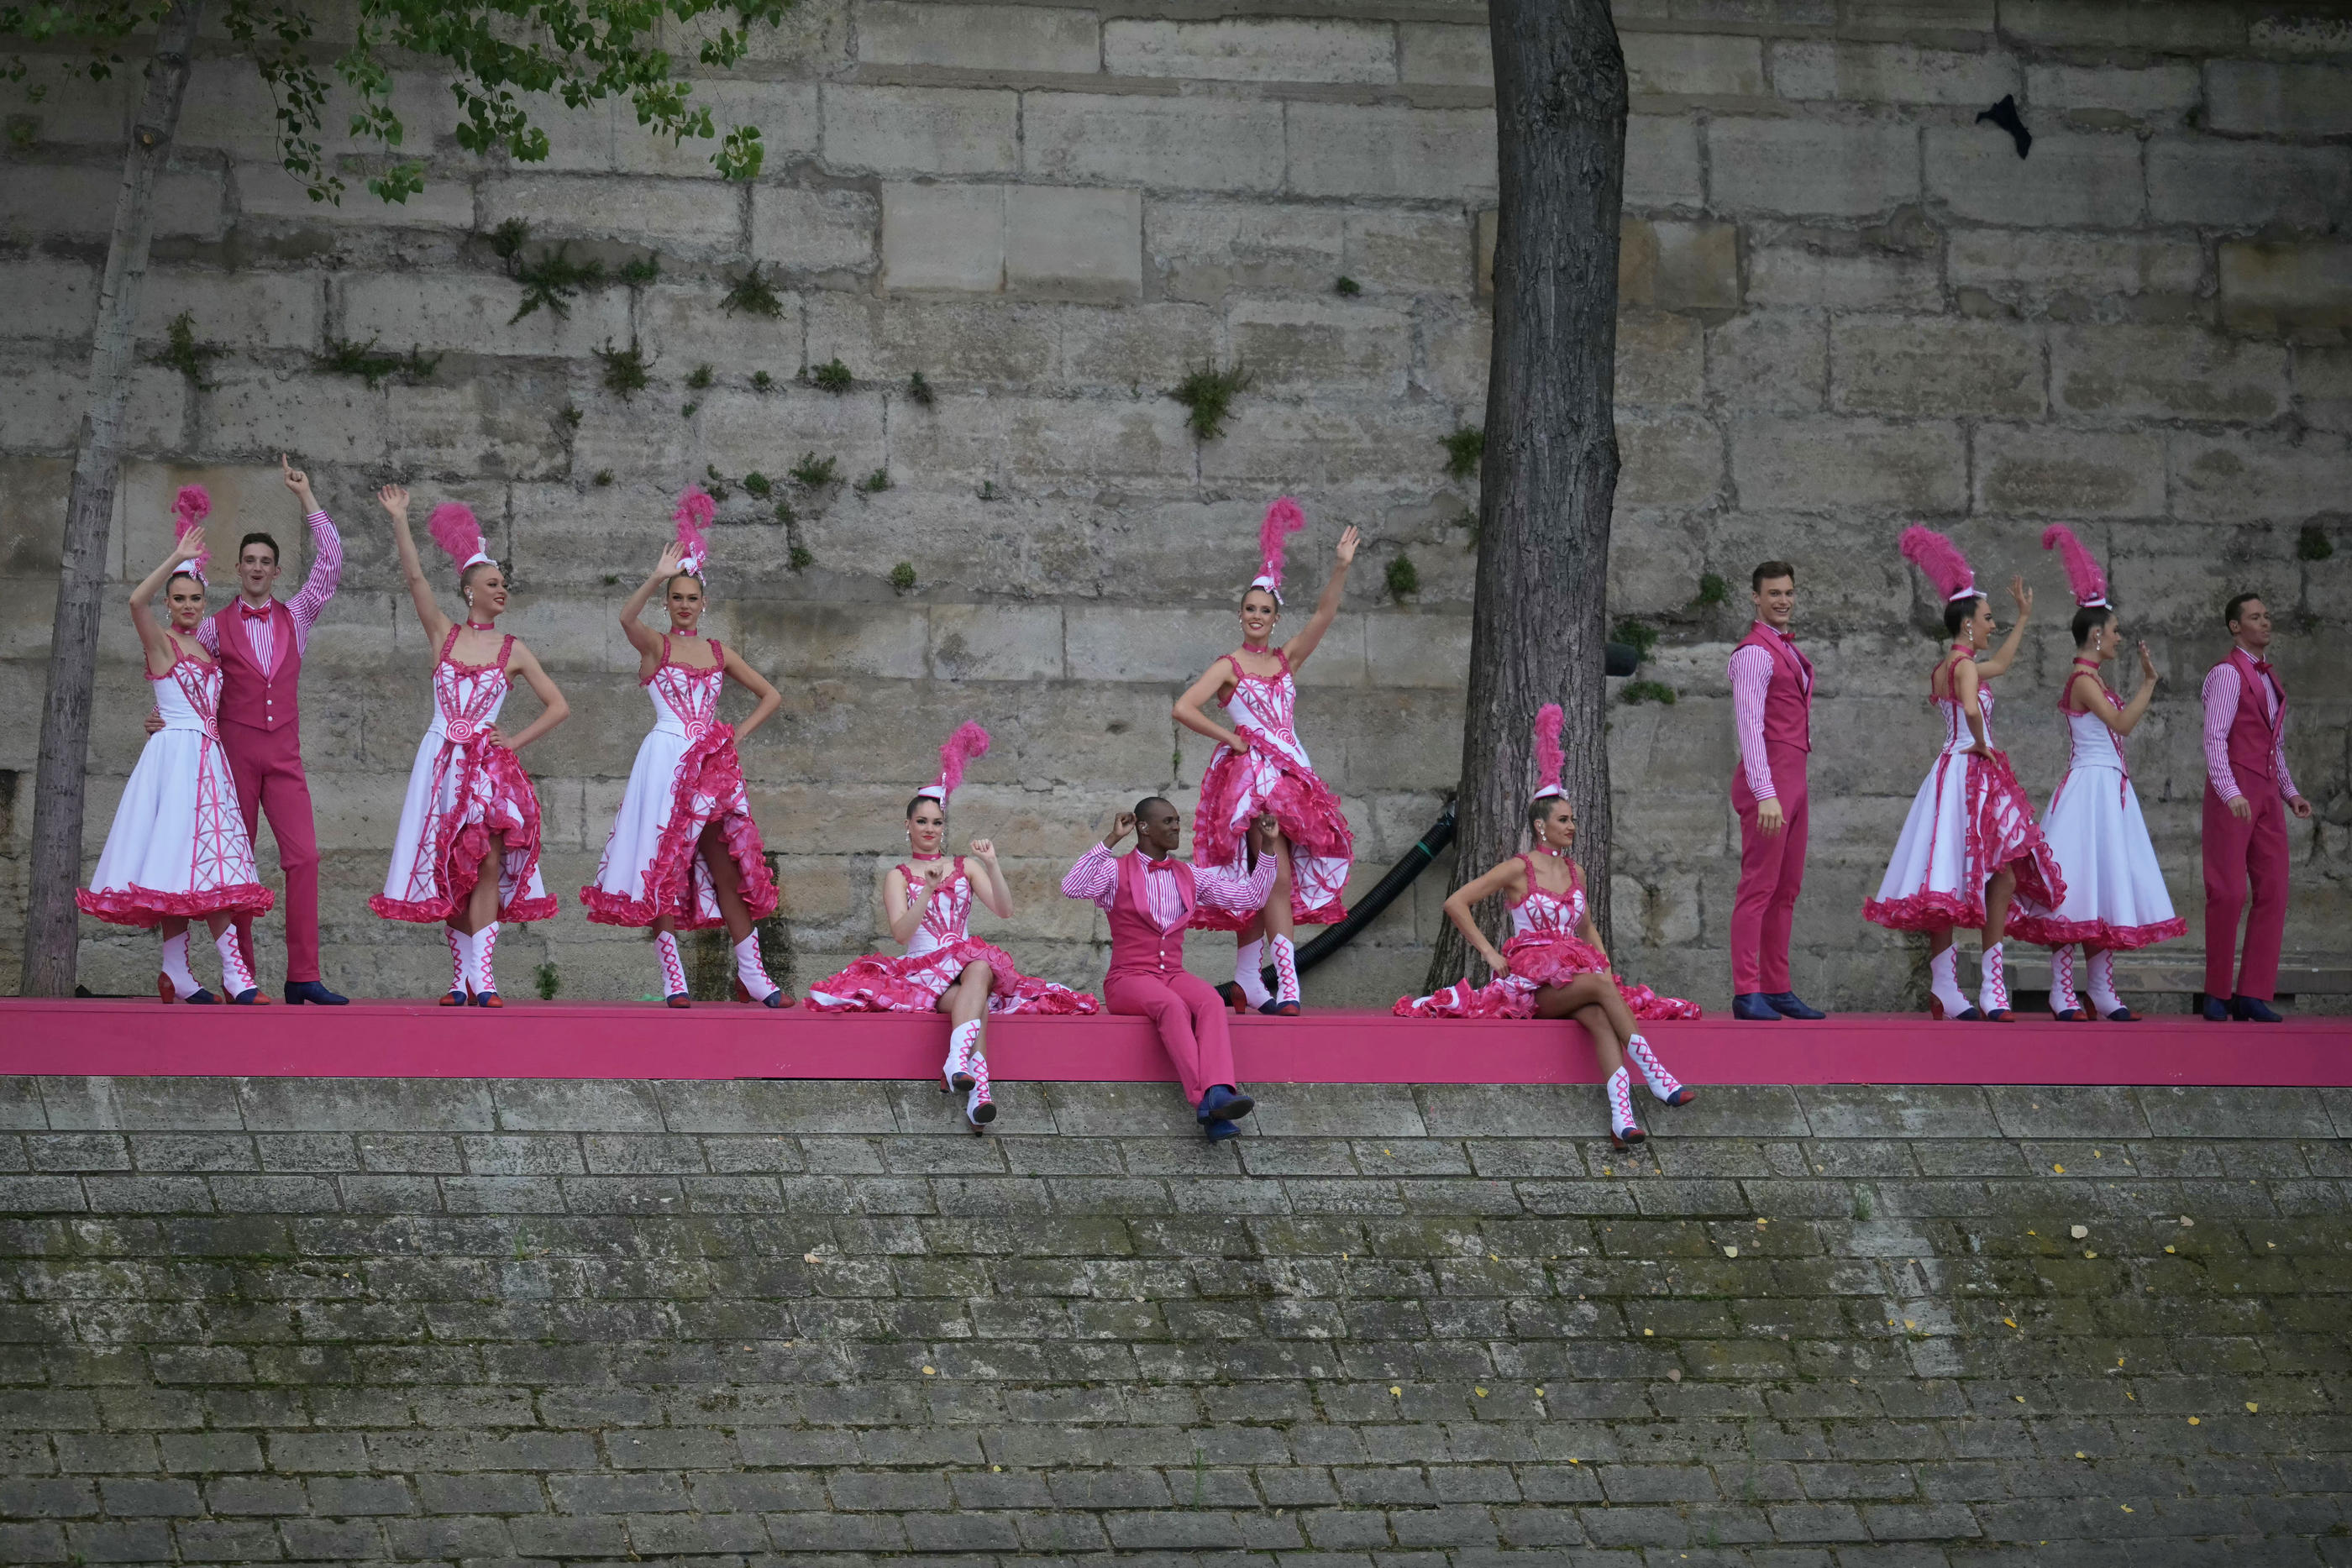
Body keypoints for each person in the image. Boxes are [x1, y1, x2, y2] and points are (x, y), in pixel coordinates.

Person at [1393, 704, 1698, 1147]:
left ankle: (1622, 1119)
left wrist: (1600, 952)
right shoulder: (1518, 868)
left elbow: (1587, 925)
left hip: (1575, 976)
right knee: (1599, 988)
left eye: (1572, 819)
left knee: (1597, 1014)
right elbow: (1456, 903)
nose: (1572, 826)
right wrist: (1490, 952)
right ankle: (1657, 1075)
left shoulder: (1578, 872)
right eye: (1563, 820)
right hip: (1532, 984)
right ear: (1541, 826)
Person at [808, 721, 1100, 1130]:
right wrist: (925, 892)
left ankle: (957, 1066)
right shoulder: (898, 875)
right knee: (976, 993)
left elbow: (1004, 909)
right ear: (907, 826)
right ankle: (979, 1089)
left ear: (945, 828)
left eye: (937, 823)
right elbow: (900, 934)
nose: (930, 830)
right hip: (923, 972)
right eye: (922, 822)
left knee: (979, 967)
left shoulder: (967, 867)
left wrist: (995, 865)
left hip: (965, 968)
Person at [580, 489, 791, 1008]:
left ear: (704, 603)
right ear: (667, 600)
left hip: (711, 764)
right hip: (666, 759)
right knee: (666, 865)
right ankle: (673, 977)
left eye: (691, 597)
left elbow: (770, 694)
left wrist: (733, 735)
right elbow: (626, 621)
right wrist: (654, 575)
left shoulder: (719, 652)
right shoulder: (657, 644)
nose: (683, 605)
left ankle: (756, 977)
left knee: (725, 865)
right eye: (675, 596)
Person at [153, 455, 347, 1003]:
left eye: (266, 561)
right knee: (235, 865)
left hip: (284, 754)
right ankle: (244, 977)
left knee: (304, 857)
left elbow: (331, 561)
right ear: (237, 570)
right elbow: (184, 672)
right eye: (249, 561)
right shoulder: (213, 627)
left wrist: (306, 496)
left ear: (276, 571)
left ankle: (303, 975)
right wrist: (165, 716)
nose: (257, 567)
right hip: (233, 753)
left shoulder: (299, 616)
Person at [368, 488, 569, 1005]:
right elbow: (414, 579)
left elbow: (558, 706)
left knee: (488, 862)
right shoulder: (444, 635)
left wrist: (513, 741)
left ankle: (484, 976)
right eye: (492, 583)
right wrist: (399, 520)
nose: (502, 590)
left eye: (504, 584)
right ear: (469, 591)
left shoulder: (513, 649)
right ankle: (461, 979)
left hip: (487, 767)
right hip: (441, 761)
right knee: (451, 864)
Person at [79, 491, 275, 1003]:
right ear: (169, 602)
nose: (188, 605)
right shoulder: (160, 641)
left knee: (208, 866)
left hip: (209, 760)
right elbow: (133, 601)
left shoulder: (205, 645)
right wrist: (176, 556)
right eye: (180, 598)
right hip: (175, 762)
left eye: (194, 599)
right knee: (185, 865)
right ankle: (232, 977)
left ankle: (180, 974)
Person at [1865, 527, 2064, 1022]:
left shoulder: (1948, 665)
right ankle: (1990, 987)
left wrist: (2023, 619)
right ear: (1968, 623)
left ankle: (1946, 987)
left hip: (1950, 772)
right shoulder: (1965, 669)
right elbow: (1973, 705)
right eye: (1989, 618)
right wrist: (1980, 740)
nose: (1992, 626)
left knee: (1952, 875)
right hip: (1971, 767)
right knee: (2001, 871)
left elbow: (1999, 662)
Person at [1173, 498, 1358, 1016]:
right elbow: (1184, 707)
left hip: (1292, 773)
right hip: (1253, 779)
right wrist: (1231, 738)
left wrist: (1340, 568)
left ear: (1275, 619)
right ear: (1241, 615)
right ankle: (1288, 985)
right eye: (1250, 609)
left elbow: (1325, 614)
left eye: (1265, 611)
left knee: (1266, 877)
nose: (1257, 617)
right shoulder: (1229, 664)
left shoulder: (1285, 659)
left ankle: (1246, 983)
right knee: (1273, 873)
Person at [2006, 527, 2183, 1020]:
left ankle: (2102, 990)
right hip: (2089, 789)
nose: (2121, 637)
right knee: (2077, 889)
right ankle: (2064, 991)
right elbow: (2123, 725)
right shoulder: (2082, 680)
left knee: (2101, 886)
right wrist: (2149, 683)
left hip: (2108, 791)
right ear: (2096, 634)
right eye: (2116, 629)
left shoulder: (2094, 678)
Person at [1062, 799, 1282, 1141]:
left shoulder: (1189, 875)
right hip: (1127, 979)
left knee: (1210, 1000)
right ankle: (1205, 1098)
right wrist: (1111, 839)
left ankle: (1220, 1094)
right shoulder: (1114, 871)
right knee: (1171, 1006)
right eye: (1168, 821)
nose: (1177, 826)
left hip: (1173, 974)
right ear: (1144, 828)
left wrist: (1268, 847)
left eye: (1178, 820)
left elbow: (1251, 898)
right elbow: (1071, 887)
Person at [2199, 592, 2312, 1023]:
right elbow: (2214, 740)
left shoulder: (2270, 678)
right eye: (2255, 617)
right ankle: (2216, 991)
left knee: (2275, 890)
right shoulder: (2227, 675)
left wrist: (2290, 792)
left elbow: (2274, 746)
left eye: (2267, 616)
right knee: (2227, 890)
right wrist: (2230, 792)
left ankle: (2252, 992)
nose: (2266, 623)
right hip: (2235, 789)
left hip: (2265, 792)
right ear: (2235, 626)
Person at [1725, 559, 1824, 1021]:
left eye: (1788, 592)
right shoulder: (1752, 653)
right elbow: (1748, 727)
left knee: (1787, 889)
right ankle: (1748, 990)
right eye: (1773, 594)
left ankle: (1777, 986)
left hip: (1794, 778)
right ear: (1756, 598)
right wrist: (1765, 792)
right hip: (1770, 782)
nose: (1783, 600)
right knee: (1758, 888)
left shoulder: (1782, 648)